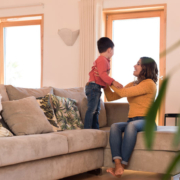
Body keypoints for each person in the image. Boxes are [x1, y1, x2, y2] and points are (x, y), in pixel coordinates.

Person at [104, 57, 158, 177]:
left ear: (146, 68)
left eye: (138, 64)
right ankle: (117, 164)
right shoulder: (133, 84)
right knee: (114, 127)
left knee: (131, 126)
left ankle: (122, 166)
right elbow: (111, 97)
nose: (134, 65)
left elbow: (124, 92)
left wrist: (109, 80)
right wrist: (106, 84)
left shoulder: (149, 84)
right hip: (132, 120)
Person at [84, 37, 123, 129]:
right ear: (109, 50)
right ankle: (87, 129)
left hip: (95, 87)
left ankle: (95, 129)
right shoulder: (102, 60)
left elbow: (101, 75)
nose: (113, 52)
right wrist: (113, 82)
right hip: (93, 86)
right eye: (113, 50)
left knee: (96, 110)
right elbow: (102, 74)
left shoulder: (102, 60)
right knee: (92, 109)